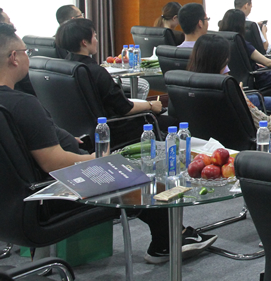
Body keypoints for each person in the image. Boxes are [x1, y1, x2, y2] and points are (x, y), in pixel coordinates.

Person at [0, 23, 216, 264]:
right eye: (26, 52)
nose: (28, 56)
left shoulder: (12, 104)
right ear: (14, 58)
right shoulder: (23, 104)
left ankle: (170, 237)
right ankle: (167, 242)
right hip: (47, 199)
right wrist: (98, 159)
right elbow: (55, 163)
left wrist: (61, 137)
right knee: (142, 176)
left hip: (9, 204)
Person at [56, 18, 175, 145]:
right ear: (84, 42)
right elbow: (125, 108)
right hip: (111, 130)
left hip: (78, 131)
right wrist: (150, 105)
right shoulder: (96, 72)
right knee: (172, 123)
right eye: (94, 36)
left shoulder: (62, 68)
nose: (96, 40)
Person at [187, 34, 271, 154]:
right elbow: (263, 123)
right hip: (248, 148)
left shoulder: (186, 85)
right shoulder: (228, 88)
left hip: (205, 149)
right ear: (222, 61)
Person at [176, 3, 271, 116]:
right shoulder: (212, 49)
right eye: (207, 19)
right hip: (221, 105)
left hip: (191, 108)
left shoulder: (174, 52)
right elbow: (227, 86)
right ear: (200, 23)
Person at [217, 9, 271, 118]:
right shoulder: (241, 42)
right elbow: (267, 62)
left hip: (236, 81)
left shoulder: (218, 41)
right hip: (255, 79)